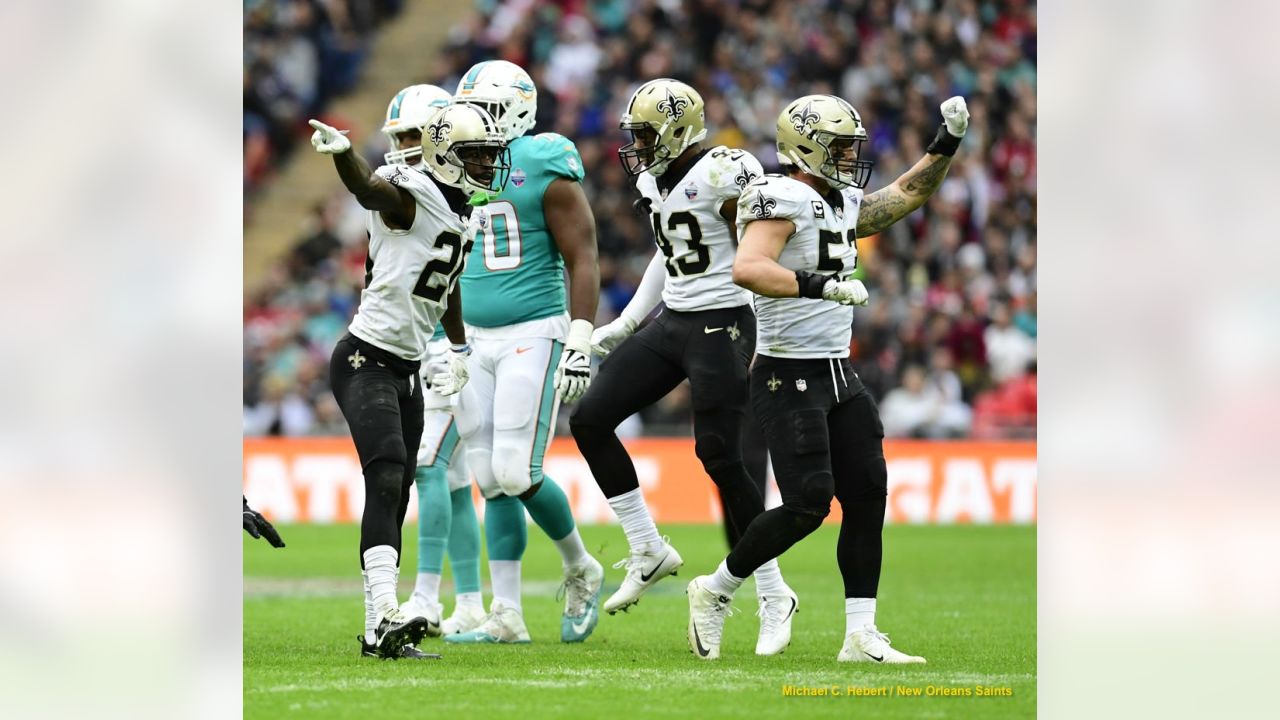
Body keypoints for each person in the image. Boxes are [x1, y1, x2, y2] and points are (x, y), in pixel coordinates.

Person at [686, 93, 970, 663]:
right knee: (808, 503)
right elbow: (748, 266)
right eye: (839, 147)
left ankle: (860, 635)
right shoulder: (779, 194)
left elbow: (907, 193)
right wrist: (820, 285)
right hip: (784, 372)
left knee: (867, 498)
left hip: (838, 371)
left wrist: (947, 142)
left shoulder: (837, 200)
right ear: (806, 148)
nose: (849, 158)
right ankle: (715, 589)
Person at [570, 78, 797, 656]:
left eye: (646, 134)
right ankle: (647, 548)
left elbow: (762, 243)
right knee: (591, 418)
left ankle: (773, 592)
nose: (638, 146)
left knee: (721, 459)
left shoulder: (725, 172)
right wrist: (628, 320)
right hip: (674, 319)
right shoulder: (654, 178)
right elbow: (671, 251)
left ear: (677, 130)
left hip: (724, 321)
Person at [307, 98, 510, 659]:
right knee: (391, 472)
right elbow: (373, 191)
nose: (487, 166)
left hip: (408, 369)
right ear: (446, 156)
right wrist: (346, 155)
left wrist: (459, 343)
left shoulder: (462, 212)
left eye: (490, 155)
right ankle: (386, 616)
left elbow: (445, 283)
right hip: (364, 359)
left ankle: (379, 632)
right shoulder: (412, 197)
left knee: (394, 498)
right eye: (476, 155)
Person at [443, 60, 605, 645]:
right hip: (476, 340)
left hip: (532, 330)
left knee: (515, 469)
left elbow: (583, 254)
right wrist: (449, 342)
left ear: (512, 109)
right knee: (488, 476)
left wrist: (582, 336)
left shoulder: (542, 160)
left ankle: (581, 566)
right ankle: (506, 614)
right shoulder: (456, 165)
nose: (471, 124)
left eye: (483, 110)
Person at [370, 86, 490, 638]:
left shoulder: (449, 191)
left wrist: (452, 346)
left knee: (428, 466)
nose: (404, 148)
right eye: (399, 138)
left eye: (414, 136)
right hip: (444, 341)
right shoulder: (426, 191)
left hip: (455, 344)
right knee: (457, 477)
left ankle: (424, 597)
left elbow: (450, 280)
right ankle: (468, 600)